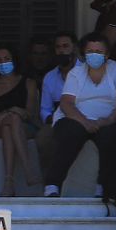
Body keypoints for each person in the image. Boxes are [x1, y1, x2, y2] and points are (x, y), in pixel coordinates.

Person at [45, 32, 116, 208]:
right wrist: (85, 123)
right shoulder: (76, 73)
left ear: (107, 54)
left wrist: (108, 120)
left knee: (114, 135)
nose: (94, 54)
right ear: (83, 54)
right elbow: (66, 103)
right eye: (90, 51)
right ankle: (52, 184)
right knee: (70, 133)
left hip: (108, 119)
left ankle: (105, 187)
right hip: (76, 118)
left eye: (99, 51)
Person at [0, 43, 39, 197]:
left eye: (6, 59)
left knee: (11, 124)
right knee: (10, 121)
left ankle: (8, 183)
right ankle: (28, 170)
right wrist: (10, 112)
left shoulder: (28, 83)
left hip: (25, 126)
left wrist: (15, 113)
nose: (3, 63)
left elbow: (31, 114)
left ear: (14, 60)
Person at [34, 31, 80, 170]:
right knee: (43, 139)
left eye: (65, 46)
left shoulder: (86, 71)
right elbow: (45, 109)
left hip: (83, 119)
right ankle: (50, 185)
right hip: (57, 121)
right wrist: (51, 119)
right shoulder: (50, 77)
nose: (62, 50)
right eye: (58, 47)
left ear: (74, 48)